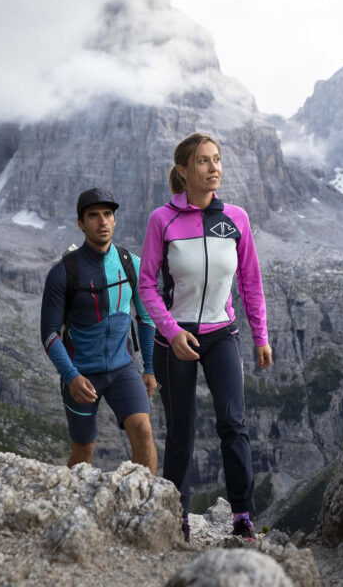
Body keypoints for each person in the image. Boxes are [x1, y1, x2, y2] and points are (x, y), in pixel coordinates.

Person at [138, 133, 273, 542]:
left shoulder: (236, 217)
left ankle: (242, 517)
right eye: (203, 161)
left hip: (222, 334)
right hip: (174, 339)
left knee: (233, 424)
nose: (213, 168)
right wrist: (171, 331)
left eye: (217, 160)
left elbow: (251, 281)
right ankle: (174, 513)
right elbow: (146, 286)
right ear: (183, 171)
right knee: (182, 430)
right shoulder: (162, 219)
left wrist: (261, 336)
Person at [40, 187, 158, 473]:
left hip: (122, 368)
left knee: (143, 431)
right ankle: (68, 509)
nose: (102, 221)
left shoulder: (132, 265)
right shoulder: (62, 273)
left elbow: (146, 318)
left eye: (108, 214)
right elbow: (50, 333)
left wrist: (150, 367)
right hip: (81, 373)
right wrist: (71, 376)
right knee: (84, 449)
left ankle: (148, 509)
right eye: (93, 216)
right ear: (81, 223)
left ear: (115, 220)